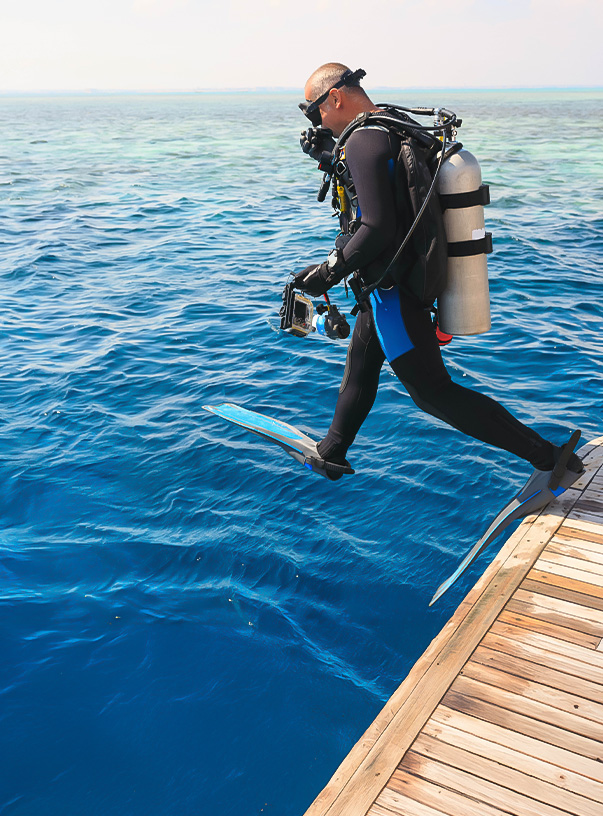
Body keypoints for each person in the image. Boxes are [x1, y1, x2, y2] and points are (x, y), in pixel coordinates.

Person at [293, 63, 583, 482]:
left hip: (392, 291)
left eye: (314, 110)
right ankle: (333, 450)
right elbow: (384, 185)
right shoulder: (390, 127)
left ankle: (548, 457)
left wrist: (328, 271)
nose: (316, 121)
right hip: (401, 280)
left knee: (432, 393)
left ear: (335, 97)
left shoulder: (361, 140)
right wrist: (326, 155)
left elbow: (376, 226)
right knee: (361, 364)